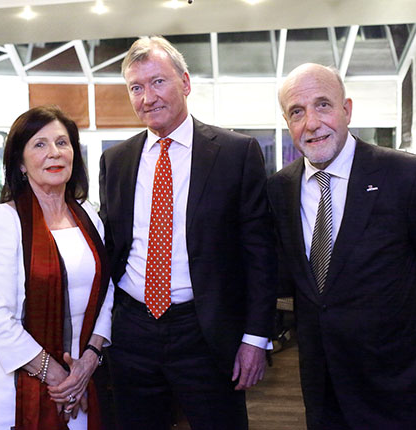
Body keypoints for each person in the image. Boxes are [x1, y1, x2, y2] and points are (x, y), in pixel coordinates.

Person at [267, 63, 416, 430]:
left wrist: (400, 330)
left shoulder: (410, 176)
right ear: (287, 121)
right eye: (297, 111)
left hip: (401, 384)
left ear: (347, 110)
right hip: (325, 387)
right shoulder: (280, 188)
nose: (311, 122)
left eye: (322, 105)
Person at [99, 36, 276, 430]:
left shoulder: (235, 153)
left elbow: (260, 254)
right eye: (136, 87)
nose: (148, 97)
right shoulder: (116, 160)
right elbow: (111, 248)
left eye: (158, 82)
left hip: (206, 331)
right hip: (133, 330)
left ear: (186, 82)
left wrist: (255, 338)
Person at [0, 106, 113, 430]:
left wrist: (88, 363)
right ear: (20, 163)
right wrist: (58, 378)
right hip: (18, 386)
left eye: (62, 143)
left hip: (82, 379)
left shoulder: (88, 216)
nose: (54, 153)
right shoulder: (4, 220)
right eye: (39, 144)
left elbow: (107, 291)